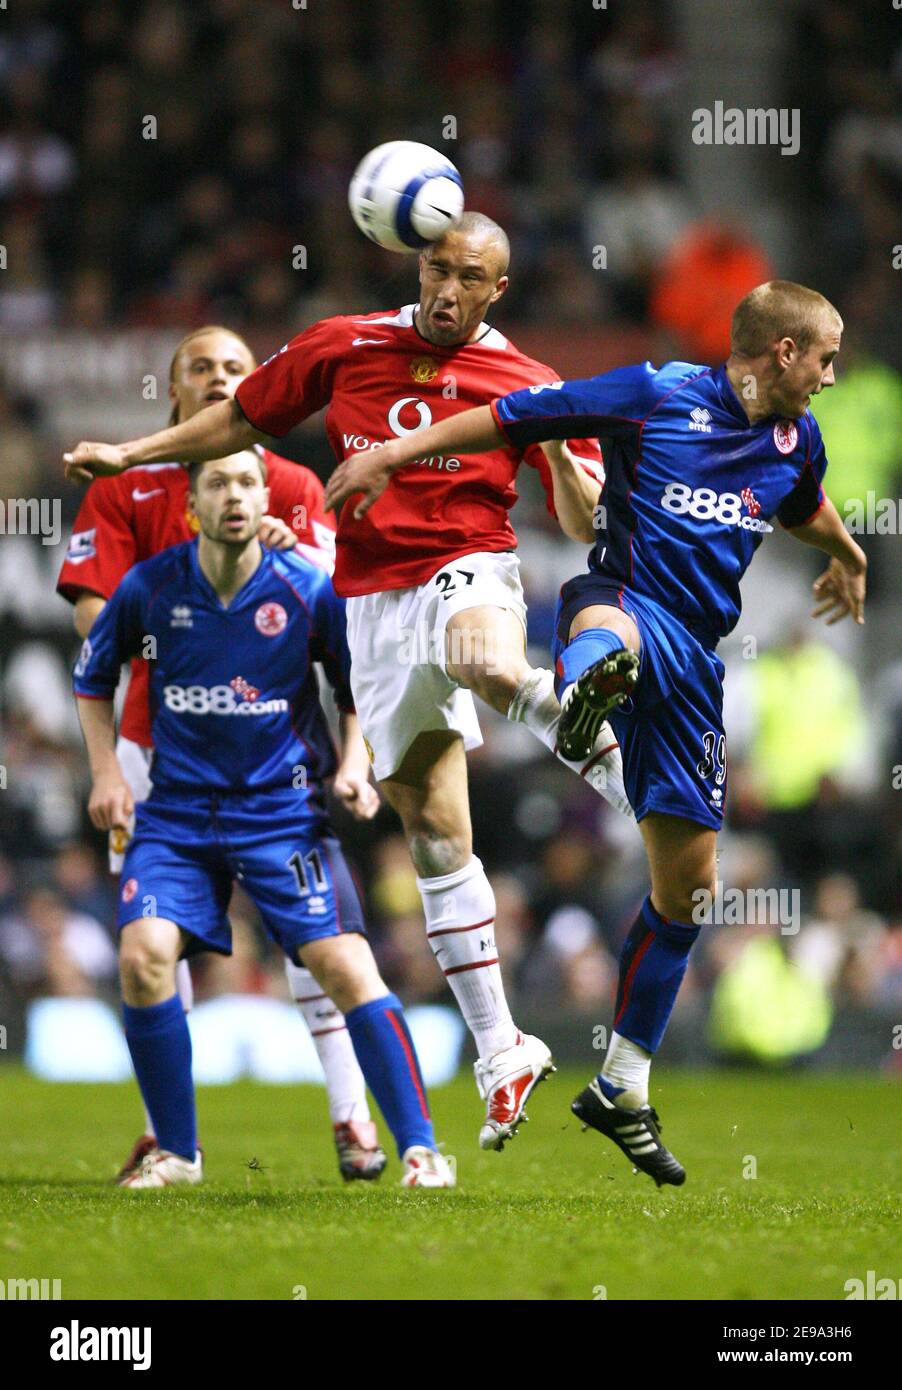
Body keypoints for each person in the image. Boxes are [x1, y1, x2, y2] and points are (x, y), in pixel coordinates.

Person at [63, 213, 633, 1152]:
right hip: (370, 601)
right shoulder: (346, 343)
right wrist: (129, 453)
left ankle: (585, 733)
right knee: (437, 834)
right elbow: (241, 419)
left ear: (500, 290)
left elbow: (577, 521)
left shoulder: (529, 381)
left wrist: (575, 470)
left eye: (470, 278)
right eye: (437, 268)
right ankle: (502, 1048)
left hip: (469, 567)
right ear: (420, 262)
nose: (447, 290)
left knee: (486, 657)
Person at [320, 279, 867, 1186]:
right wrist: (395, 454)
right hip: (619, 600)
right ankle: (583, 697)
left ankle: (622, 1084)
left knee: (691, 891)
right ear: (782, 352)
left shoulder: (792, 438)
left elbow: (803, 502)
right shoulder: (654, 393)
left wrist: (846, 554)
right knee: (611, 636)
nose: (833, 375)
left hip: (696, 658)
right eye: (825, 357)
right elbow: (508, 419)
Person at [59, 325, 387, 1183]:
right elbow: (96, 611)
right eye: (199, 367)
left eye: (237, 370)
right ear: (171, 392)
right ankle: (169, 1135)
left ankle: (353, 1116)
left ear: (258, 391)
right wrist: (183, 642)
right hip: (151, 750)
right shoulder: (127, 488)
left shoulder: (293, 485)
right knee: (155, 937)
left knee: (311, 939)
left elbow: (329, 605)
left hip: (275, 752)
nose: (218, 378)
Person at [73, 450, 453, 1189]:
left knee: (345, 965)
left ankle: (420, 1148)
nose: (235, 495)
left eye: (247, 482)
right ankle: (178, 1155)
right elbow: (92, 677)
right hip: (178, 815)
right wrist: (106, 770)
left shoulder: (307, 588)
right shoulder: (150, 587)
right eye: (217, 484)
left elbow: (356, 684)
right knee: (142, 955)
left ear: (264, 496)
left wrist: (353, 762)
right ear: (192, 506)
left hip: (282, 813)